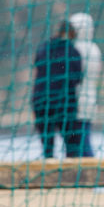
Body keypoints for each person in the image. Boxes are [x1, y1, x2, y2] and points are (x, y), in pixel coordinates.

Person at [30, 20, 84, 159]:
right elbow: (77, 77)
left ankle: (48, 171)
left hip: (41, 100)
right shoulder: (72, 51)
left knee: (47, 143)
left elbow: (38, 66)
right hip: (63, 102)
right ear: (71, 34)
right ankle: (71, 173)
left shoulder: (43, 48)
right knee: (72, 142)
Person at [68, 12, 103, 157]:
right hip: (89, 100)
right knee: (83, 139)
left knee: (79, 143)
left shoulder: (75, 50)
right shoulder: (95, 48)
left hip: (76, 102)